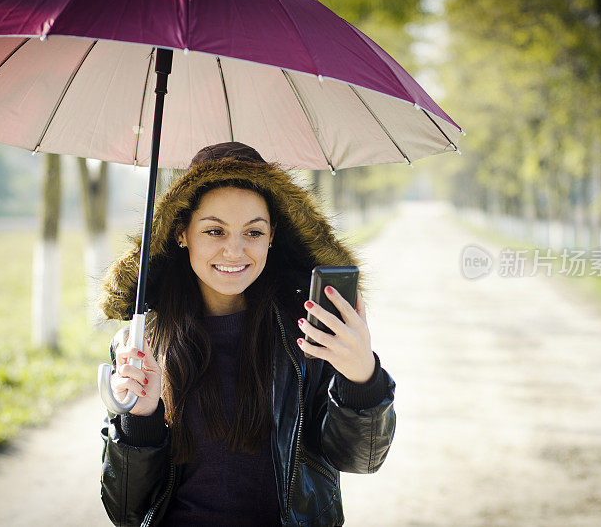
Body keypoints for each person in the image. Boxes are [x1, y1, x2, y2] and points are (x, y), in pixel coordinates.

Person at [98, 142, 396, 527]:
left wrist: (361, 377)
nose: (234, 251)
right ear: (181, 233)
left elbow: (361, 458)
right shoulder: (142, 346)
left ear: (272, 236)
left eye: (253, 232)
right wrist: (141, 418)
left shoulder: (308, 334)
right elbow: (125, 509)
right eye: (214, 230)